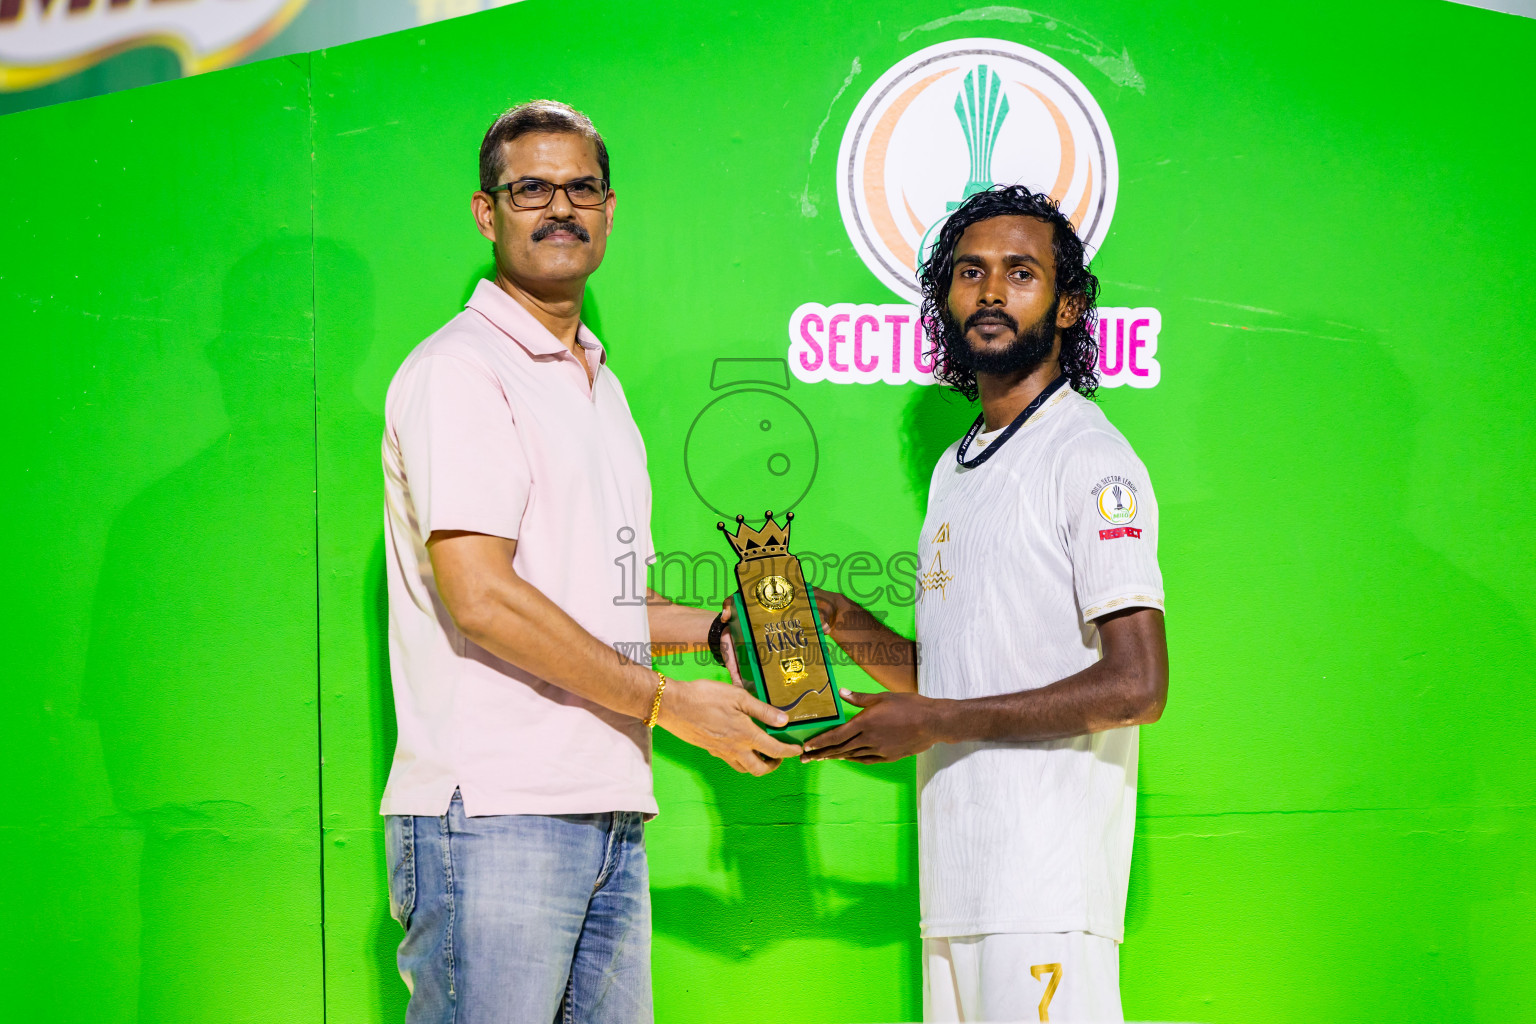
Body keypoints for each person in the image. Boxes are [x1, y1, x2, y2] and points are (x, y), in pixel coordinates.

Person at [379, 100, 800, 1024]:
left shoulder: (598, 386)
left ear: (609, 209)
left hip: (607, 805)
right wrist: (666, 703)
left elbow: (604, 599)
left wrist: (717, 630)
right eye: (531, 188)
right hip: (493, 813)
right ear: (488, 213)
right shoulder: (463, 371)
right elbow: (481, 596)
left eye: (580, 188)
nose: (558, 207)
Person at [796, 185, 1169, 1022]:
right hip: (959, 881)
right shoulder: (959, 464)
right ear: (945, 299)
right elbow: (959, 675)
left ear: (1068, 306)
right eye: (971, 272)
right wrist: (837, 617)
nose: (992, 292)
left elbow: (1138, 687)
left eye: (1020, 273)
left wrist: (932, 721)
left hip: (1046, 888)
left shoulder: (1088, 458)